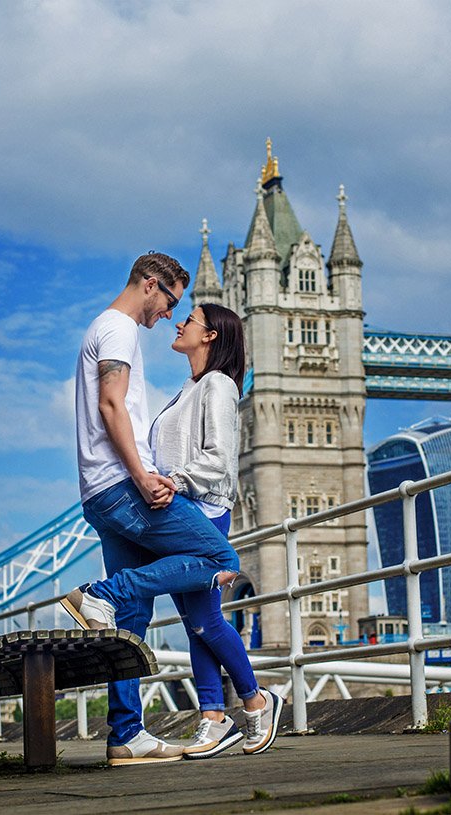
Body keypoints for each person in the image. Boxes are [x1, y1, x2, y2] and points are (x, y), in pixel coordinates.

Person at [61, 253, 260, 765]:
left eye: (182, 312)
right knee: (222, 561)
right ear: (151, 285)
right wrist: (143, 475)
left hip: (102, 492)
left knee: (131, 619)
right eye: (170, 302)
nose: (170, 315)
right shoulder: (120, 329)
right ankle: (98, 596)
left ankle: (126, 734)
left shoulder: (110, 332)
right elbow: (111, 405)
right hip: (124, 487)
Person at [152, 303, 284, 759]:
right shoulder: (189, 387)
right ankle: (212, 716)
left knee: (206, 619)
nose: (178, 322)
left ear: (210, 336)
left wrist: (176, 483)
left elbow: (220, 458)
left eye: (189, 319)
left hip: (202, 513)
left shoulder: (220, 386)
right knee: (195, 626)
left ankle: (255, 701)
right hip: (178, 513)